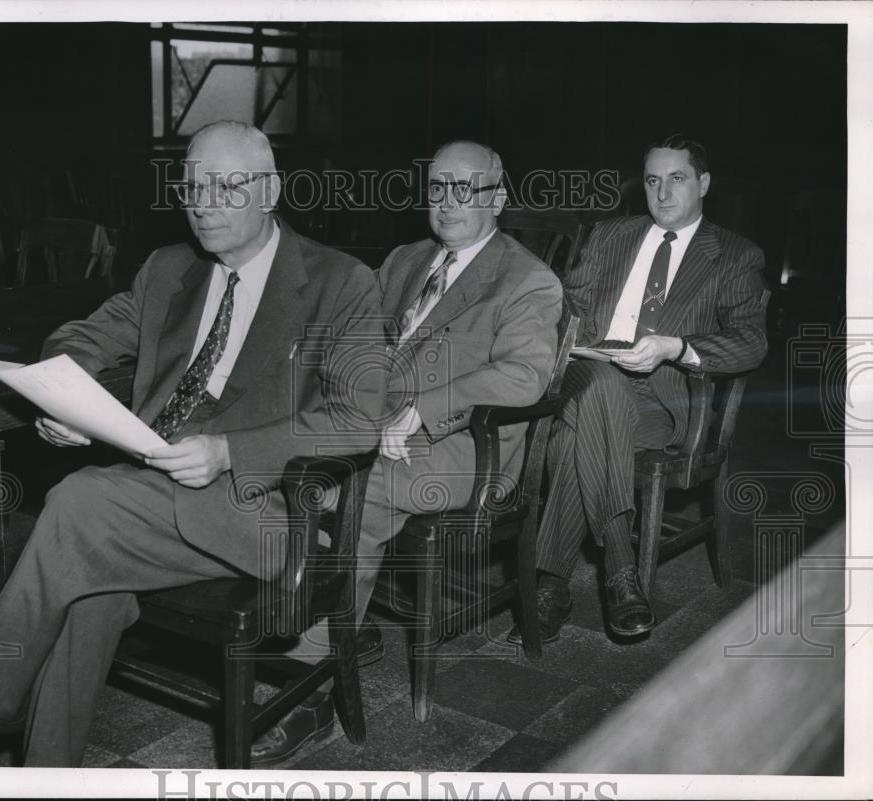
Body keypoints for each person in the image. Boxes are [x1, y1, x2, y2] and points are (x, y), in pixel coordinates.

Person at [0, 121, 384, 767]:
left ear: (270, 188)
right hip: (143, 496)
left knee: (76, 500)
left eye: (225, 185)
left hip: (268, 511)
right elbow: (79, 336)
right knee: (83, 581)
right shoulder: (168, 269)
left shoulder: (340, 281)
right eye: (190, 186)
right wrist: (64, 395)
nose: (202, 201)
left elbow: (357, 419)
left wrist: (229, 450)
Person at [248, 140, 563, 765]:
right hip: (375, 423)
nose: (447, 203)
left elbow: (526, 377)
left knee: (349, 499)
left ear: (498, 197)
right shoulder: (405, 259)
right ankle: (330, 619)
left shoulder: (528, 278)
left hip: (468, 451)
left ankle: (310, 689)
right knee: (268, 460)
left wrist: (425, 407)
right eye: (437, 188)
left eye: (465, 190)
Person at [507, 134, 769, 646]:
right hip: (587, 371)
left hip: (659, 400)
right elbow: (566, 305)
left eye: (677, 179)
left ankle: (551, 582)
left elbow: (751, 343)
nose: (663, 193)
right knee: (600, 382)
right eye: (653, 181)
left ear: (704, 184)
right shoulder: (609, 235)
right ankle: (621, 572)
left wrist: (676, 347)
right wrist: (578, 340)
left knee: (572, 439)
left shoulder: (734, 254)